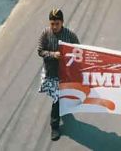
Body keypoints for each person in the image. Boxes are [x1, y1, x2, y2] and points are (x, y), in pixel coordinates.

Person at [37, 9, 80, 141]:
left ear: (62, 22)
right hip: (52, 73)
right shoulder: (45, 33)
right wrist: (52, 54)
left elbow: (78, 51)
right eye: (52, 24)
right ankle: (55, 125)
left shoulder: (70, 35)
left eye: (57, 23)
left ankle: (56, 121)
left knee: (58, 99)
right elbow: (40, 51)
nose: (54, 27)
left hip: (65, 74)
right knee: (57, 99)